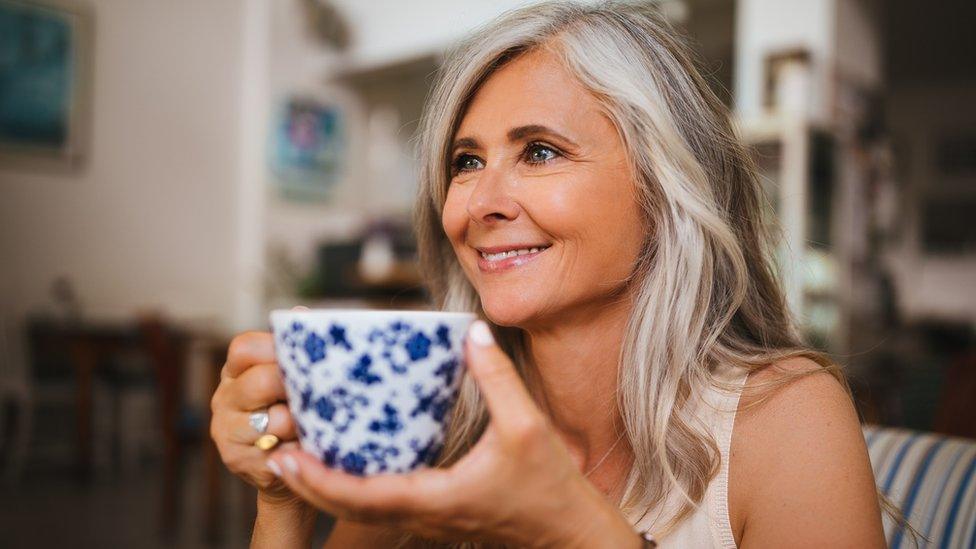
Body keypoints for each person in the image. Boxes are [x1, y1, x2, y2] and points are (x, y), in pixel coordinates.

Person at [210, 2, 889, 547]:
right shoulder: (430, 414)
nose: (479, 204)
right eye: (466, 161)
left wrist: (567, 526)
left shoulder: (785, 417)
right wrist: (284, 502)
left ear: (664, 193)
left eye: (539, 151)